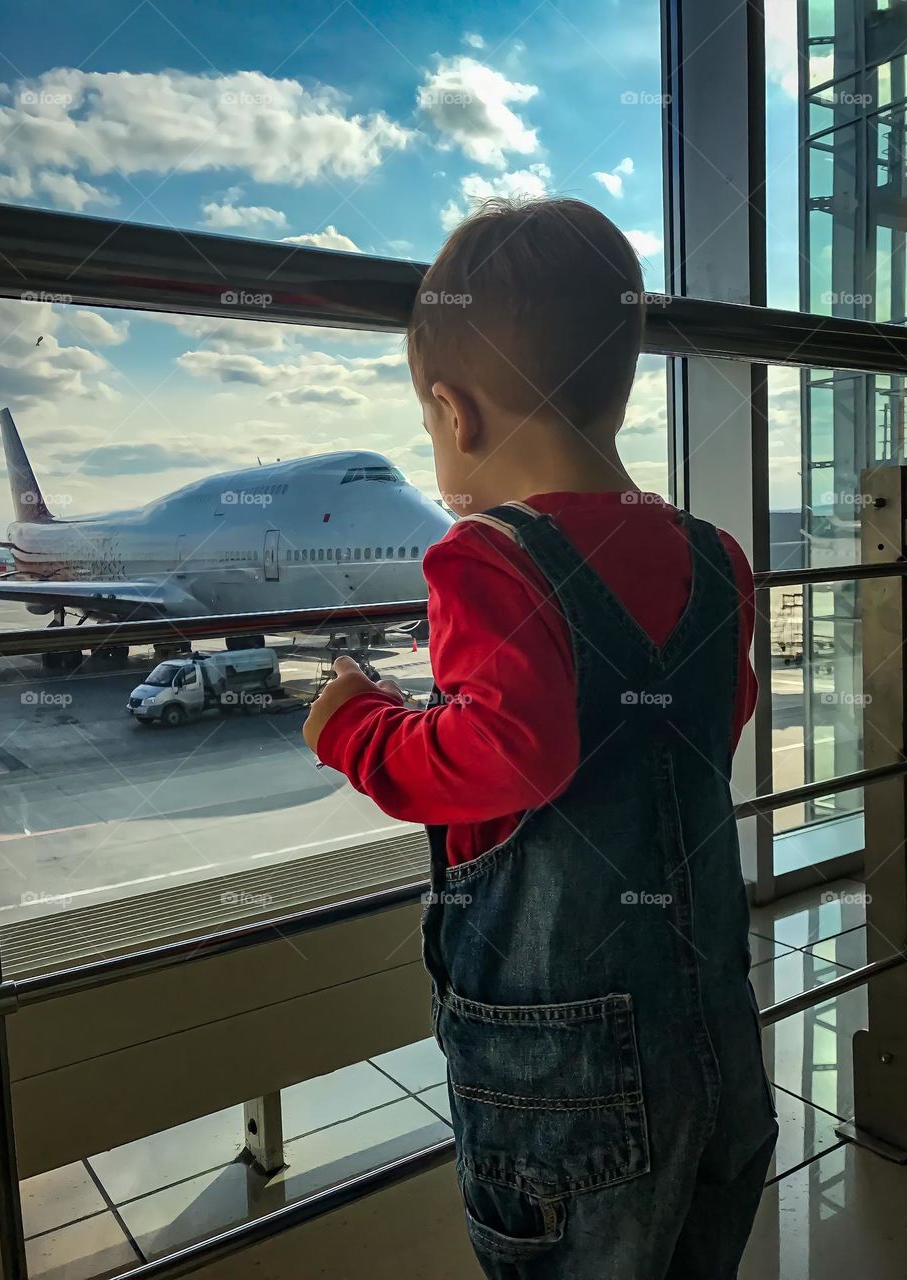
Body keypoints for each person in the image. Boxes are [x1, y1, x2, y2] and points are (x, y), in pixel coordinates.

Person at [303, 197, 777, 1279]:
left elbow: (512, 752)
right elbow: (721, 714)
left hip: (568, 1085)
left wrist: (358, 725)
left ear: (452, 414)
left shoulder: (482, 559)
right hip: (715, 1034)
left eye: (429, 432)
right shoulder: (716, 557)